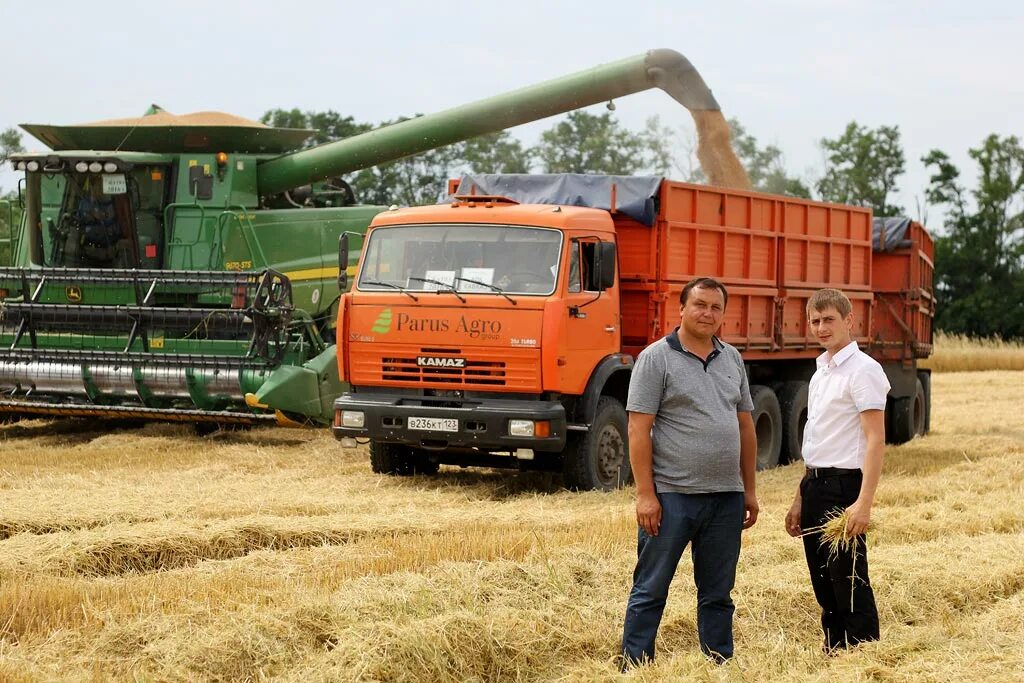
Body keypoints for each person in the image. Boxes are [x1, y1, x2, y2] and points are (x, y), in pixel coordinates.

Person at [621, 276, 758, 666]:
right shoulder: (655, 358)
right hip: (671, 497)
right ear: (680, 308)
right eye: (699, 305)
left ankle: (719, 664)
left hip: (725, 498)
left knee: (718, 593)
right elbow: (638, 429)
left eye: (716, 307)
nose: (707, 313)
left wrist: (748, 490)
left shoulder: (731, 358)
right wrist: (645, 494)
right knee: (651, 588)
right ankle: (635, 666)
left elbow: (745, 426)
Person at [785, 288, 889, 652]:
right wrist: (799, 497)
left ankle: (863, 657)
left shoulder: (864, 371)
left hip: (845, 489)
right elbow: (815, 442)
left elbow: (875, 440)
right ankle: (836, 652)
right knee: (824, 583)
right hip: (815, 486)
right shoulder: (820, 373)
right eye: (814, 321)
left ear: (849, 321)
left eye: (829, 319)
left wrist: (864, 503)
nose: (821, 327)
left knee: (849, 581)